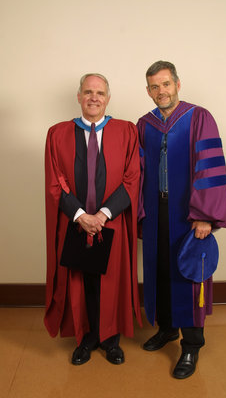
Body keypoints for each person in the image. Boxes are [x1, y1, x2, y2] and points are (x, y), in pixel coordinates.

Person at [137, 61, 226, 379]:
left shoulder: (199, 118)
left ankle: (191, 346)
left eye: (165, 84)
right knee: (160, 271)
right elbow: (136, 172)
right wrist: (138, 213)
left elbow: (209, 165)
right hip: (155, 212)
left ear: (178, 83)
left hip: (188, 215)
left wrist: (205, 215)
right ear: (148, 90)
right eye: (154, 86)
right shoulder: (144, 124)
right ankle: (167, 329)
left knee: (190, 275)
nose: (160, 91)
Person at [44, 73, 142, 366]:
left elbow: (132, 178)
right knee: (79, 279)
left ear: (108, 98)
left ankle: (110, 340)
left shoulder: (126, 131)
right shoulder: (58, 133)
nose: (94, 97)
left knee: (110, 280)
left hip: (110, 222)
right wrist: (80, 215)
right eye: (88, 92)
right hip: (75, 222)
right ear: (79, 97)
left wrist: (102, 215)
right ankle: (86, 338)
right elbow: (54, 182)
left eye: (99, 92)